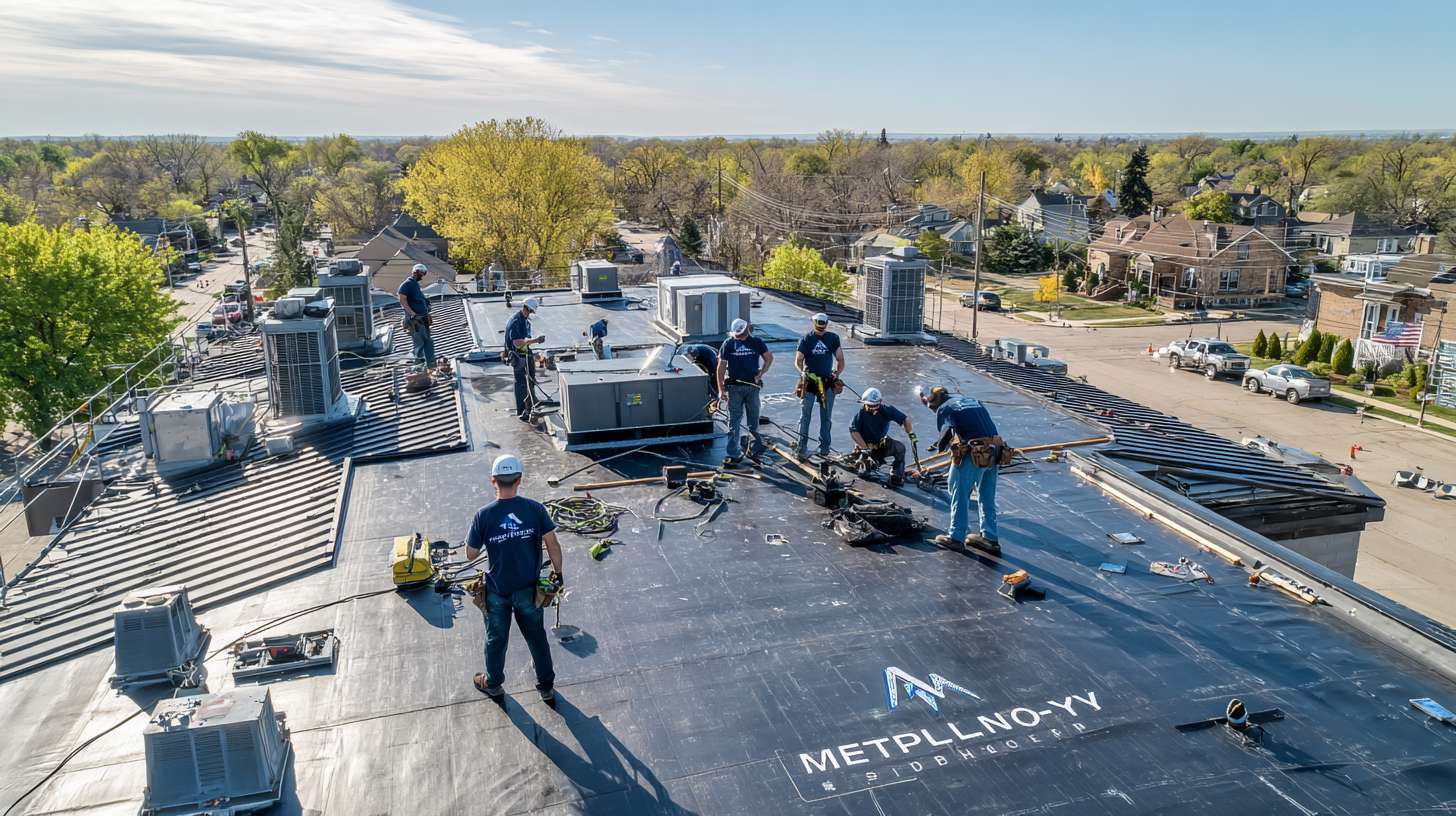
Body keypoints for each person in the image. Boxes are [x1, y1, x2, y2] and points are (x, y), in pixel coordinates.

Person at [465, 455, 564, 703]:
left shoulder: (483, 515)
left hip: (498, 590)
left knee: (496, 639)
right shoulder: (534, 509)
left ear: (493, 481)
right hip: (528, 590)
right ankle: (546, 687)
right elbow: (553, 545)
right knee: (536, 637)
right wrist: (558, 574)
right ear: (519, 480)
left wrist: (489, 537)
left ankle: (494, 683)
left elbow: (471, 554)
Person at [920, 386, 1002, 554]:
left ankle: (956, 537)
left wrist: (941, 447)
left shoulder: (944, 408)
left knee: (958, 490)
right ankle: (990, 538)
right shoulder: (972, 400)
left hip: (974, 453)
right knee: (987, 495)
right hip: (995, 450)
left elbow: (945, 436)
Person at [717, 319, 772, 466]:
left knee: (753, 420)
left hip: (752, 387)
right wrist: (721, 389)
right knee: (734, 421)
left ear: (747, 329)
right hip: (734, 388)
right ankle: (734, 453)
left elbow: (768, 358)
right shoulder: (728, 344)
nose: (739, 337)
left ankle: (754, 450)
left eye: (741, 334)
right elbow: (721, 367)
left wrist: (760, 374)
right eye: (737, 335)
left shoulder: (757, 342)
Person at [794, 313, 844, 460]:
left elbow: (840, 359)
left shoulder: (833, 338)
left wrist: (837, 373)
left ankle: (824, 450)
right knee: (805, 417)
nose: (821, 326)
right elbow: (798, 360)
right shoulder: (807, 339)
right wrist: (802, 371)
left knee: (826, 418)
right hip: (810, 383)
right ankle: (801, 448)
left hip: (827, 383)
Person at [849, 387, 916, 487]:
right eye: (870, 406)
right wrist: (864, 448)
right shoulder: (861, 414)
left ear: (880, 402)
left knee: (900, 448)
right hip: (865, 447)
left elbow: (905, 419)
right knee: (864, 473)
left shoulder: (886, 410)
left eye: (875, 405)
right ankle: (866, 464)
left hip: (881, 444)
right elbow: (853, 431)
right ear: (864, 403)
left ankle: (896, 475)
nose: (873, 408)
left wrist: (910, 433)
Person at [504, 298, 545, 420]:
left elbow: (525, 341)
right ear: (527, 308)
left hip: (525, 354)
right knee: (521, 383)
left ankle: (531, 402)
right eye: (531, 311)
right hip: (517, 356)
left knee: (531, 379)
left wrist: (534, 354)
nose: (531, 313)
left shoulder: (526, 322)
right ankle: (522, 411)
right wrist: (536, 340)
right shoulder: (515, 321)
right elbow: (517, 343)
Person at [398, 263, 437, 368]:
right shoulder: (407, 284)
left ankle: (431, 364)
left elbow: (420, 299)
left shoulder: (415, 284)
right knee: (419, 343)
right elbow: (402, 300)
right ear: (416, 272)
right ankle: (419, 367)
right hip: (415, 320)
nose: (422, 276)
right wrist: (412, 314)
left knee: (428, 341)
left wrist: (427, 308)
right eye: (422, 273)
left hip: (423, 318)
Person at [682, 342, 720, 409]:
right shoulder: (687, 350)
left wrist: (710, 375)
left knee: (713, 378)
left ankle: (715, 398)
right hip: (700, 356)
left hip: (711, 358)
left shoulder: (709, 356)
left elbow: (712, 369)